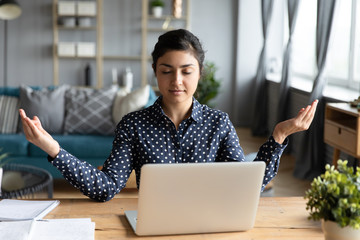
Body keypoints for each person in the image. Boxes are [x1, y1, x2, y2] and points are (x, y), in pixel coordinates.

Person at [19, 29, 318, 202]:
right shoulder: (133, 125)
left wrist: (278, 136)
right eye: (167, 71)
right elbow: (106, 188)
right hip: (152, 225)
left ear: (199, 73)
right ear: (155, 73)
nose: (177, 81)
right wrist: (53, 149)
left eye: (187, 71)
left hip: (210, 223)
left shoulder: (219, 123)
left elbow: (245, 184)